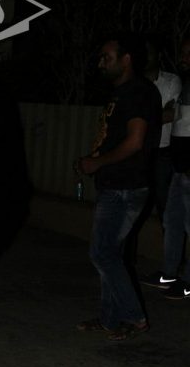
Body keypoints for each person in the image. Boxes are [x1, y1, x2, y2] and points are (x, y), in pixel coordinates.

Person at [76, 32, 162, 340]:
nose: (101, 63)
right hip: (116, 183)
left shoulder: (138, 92)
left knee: (102, 254)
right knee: (112, 255)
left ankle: (134, 316)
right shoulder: (122, 92)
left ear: (126, 60)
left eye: (107, 57)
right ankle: (111, 319)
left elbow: (135, 141)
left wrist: (98, 162)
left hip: (126, 186)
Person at [141, 36, 190, 299]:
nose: (183, 58)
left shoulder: (177, 83)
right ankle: (169, 273)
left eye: (188, 53)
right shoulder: (186, 86)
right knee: (172, 220)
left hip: (184, 164)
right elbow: (173, 117)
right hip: (179, 165)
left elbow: (169, 115)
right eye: (182, 53)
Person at [144, 35, 181, 221]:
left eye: (149, 52)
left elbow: (170, 114)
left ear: (158, 55)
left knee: (164, 204)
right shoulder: (134, 83)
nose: (145, 56)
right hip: (138, 150)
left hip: (162, 152)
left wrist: (141, 119)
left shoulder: (171, 81)